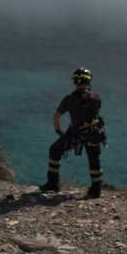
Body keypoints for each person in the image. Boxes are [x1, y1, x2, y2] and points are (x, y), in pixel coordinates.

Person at [39, 67, 106, 199]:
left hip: (76, 135)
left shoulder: (69, 100)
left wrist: (59, 132)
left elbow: (56, 117)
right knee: (94, 160)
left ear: (75, 81)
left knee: (55, 150)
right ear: (89, 81)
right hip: (94, 133)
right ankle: (96, 190)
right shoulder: (96, 97)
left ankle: (53, 183)